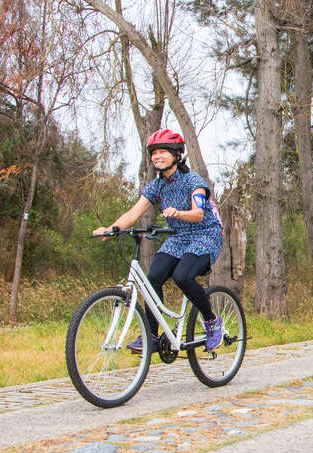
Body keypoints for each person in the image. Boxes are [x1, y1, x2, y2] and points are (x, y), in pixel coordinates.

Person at [93, 129, 224, 353]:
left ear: (176, 155)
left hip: (205, 235)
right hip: (178, 237)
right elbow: (133, 213)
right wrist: (111, 228)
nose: (157, 156)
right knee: (152, 279)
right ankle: (152, 336)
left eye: (162, 151)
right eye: (154, 153)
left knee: (182, 276)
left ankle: (212, 320)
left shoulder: (193, 181)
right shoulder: (157, 186)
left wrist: (179, 214)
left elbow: (199, 214)